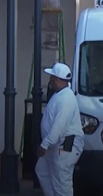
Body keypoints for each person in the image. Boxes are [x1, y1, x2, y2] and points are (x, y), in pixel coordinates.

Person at [35, 63, 84, 196]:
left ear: (57, 79)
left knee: (61, 182)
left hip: (64, 146)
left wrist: (44, 144)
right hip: (57, 145)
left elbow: (59, 126)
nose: (50, 80)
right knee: (42, 170)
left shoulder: (66, 98)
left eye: (52, 77)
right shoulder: (62, 95)